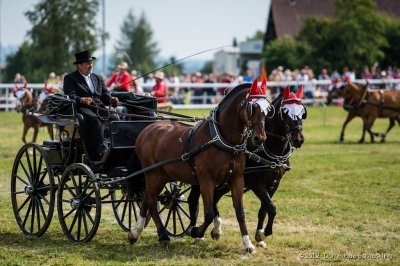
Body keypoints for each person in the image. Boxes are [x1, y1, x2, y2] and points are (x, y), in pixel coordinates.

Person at [63, 50, 119, 160]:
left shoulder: (98, 78)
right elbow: (70, 95)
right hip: (82, 108)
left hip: (98, 107)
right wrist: (81, 99)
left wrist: (111, 100)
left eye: (91, 63)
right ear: (79, 65)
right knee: (95, 120)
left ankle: (116, 147)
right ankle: (100, 150)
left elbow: (104, 95)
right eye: (88, 63)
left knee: (114, 117)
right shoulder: (70, 78)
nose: (90, 65)